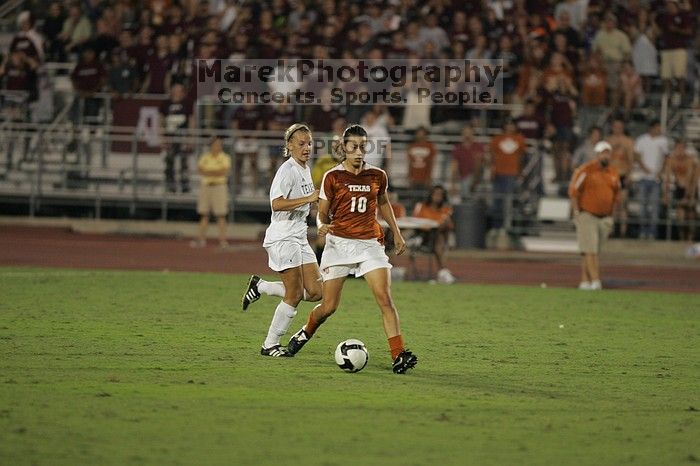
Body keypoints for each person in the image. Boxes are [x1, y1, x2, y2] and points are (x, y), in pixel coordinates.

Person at [285, 124, 418, 374]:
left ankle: (398, 354)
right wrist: (322, 226)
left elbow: (384, 203)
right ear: (344, 148)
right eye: (353, 147)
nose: (358, 152)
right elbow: (322, 212)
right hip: (339, 245)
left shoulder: (377, 175)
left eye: (362, 147)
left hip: (370, 244)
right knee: (328, 306)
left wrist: (397, 234)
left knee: (385, 299)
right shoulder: (332, 176)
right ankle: (304, 332)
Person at [240, 123, 322, 357]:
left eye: (309, 143)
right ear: (289, 145)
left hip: (299, 235)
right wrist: (309, 197)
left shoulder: (305, 168)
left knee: (317, 291)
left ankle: (261, 286)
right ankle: (270, 344)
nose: (306, 148)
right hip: (283, 236)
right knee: (294, 295)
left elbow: (306, 202)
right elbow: (276, 203)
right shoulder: (287, 170)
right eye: (301, 144)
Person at [568, 141, 620, 291]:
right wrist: (577, 212)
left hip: (605, 217)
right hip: (587, 214)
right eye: (603, 153)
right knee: (591, 249)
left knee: (591, 250)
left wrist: (613, 214)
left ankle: (585, 281)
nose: (606, 156)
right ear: (597, 154)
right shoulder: (586, 170)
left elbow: (617, 194)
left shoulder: (613, 172)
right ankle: (596, 281)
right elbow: (573, 191)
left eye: (608, 153)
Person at [191, 135, 231, 249]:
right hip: (206, 186)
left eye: (219, 145)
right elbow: (200, 170)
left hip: (219, 186)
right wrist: (214, 172)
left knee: (221, 214)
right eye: (215, 144)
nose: (217, 147)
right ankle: (201, 239)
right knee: (204, 213)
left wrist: (210, 172)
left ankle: (223, 240)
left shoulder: (224, 157)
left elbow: (223, 171)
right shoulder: (205, 157)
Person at [634, 120, 671, 239]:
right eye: (658, 128)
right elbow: (637, 156)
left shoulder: (663, 141)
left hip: (656, 179)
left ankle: (652, 233)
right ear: (652, 128)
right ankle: (642, 231)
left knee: (655, 207)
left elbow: (666, 158)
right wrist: (644, 168)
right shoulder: (641, 140)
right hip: (643, 178)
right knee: (642, 207)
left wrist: (660, 172)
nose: (660, 130)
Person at [412, 185, 455, 282]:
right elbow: (415, 221)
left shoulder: (446, 209)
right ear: (431, 195)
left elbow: (450, 226)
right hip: (422, 237)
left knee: (439, 235)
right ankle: (443, 271)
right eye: (436, 194)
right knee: (437, 237)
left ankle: (443, 271)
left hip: (438, 238)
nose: (437, 197)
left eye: (440, 195)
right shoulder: (421, 206)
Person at [662, 141, 698, 241]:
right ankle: (682, 238)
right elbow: (667, 178)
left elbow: (691, 178)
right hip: (679, 188)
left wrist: (688, 196)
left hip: (691, 189)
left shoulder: (689, 159)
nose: (679, 151)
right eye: (677, 148)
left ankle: (690, 238)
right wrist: (665, 194)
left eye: (681, 148)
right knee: (680, 215)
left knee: (690, 215)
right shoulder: (671, 160)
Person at [450, 125, 484, 199]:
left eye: (469, 133)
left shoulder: (478, 147)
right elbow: (454, 166)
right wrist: (453, 184)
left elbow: (480, 164)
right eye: (465, 133)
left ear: (473, 134)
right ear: (462, 134)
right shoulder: (458, 148)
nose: (467, 135)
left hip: (477, 177)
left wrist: (474, 182)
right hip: (463, 177)